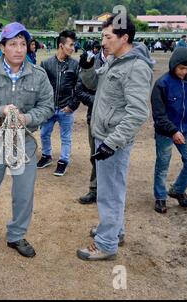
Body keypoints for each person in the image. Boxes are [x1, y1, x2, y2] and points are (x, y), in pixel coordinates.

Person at [0, 22, 54, 258]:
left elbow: (47, 107)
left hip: (23, 142)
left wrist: (27, 117)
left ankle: (16, 235)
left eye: (23, 44)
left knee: (24, 194)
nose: (19, 49)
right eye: (13, 44)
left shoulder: (39, 75)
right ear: (2, 47)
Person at [77, 14, 154, 261]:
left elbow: (137, 113)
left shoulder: (136, 67)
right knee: (112, 189)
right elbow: (93, 86)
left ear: (124, 38)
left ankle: (106, 244)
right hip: (104, 136)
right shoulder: (114, 60)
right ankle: (115, 231)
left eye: (108, 37)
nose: (103, 42)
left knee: (110, 193)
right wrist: (87, 68)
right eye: (102, 36)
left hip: (113, 141)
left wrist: (111, 143)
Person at [151, 48, 187, 214]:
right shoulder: (162, 84)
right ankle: (160, 196)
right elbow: (158, 115)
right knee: (163, 164)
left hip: (186, 130)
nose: (184, 72)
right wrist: (173, 131)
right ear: (173, 65)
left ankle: (178, 190)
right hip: (165, 132)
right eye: (181, 68)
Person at [37, 30, 80, 176]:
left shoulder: (75, 65)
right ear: (61, 45)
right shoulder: (46, 64)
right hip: (49, 109)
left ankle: (63, 161)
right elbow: (40, 87)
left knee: (66, 137)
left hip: (65, 109)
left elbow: (79, 88)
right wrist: (43, 106)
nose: (73, 48)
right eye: (71, 45)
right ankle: (46, 156)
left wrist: (72, 106)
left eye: (74, 45)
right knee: (44, 133)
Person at [76, 46, 109, 205]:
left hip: (115, 120)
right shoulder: (90, 61)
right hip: (94, 118)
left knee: (114, 157)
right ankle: (95, 189)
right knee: (95, 154)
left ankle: (108, 190)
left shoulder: (124, 62)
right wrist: (97, 103)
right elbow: (80, 89)